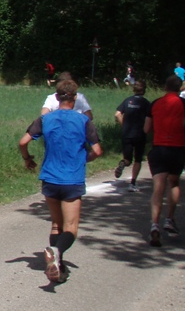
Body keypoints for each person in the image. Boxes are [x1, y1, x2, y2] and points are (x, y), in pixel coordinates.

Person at [19, 78, 103, 284]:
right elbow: (98, 151)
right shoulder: (84, 121)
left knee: (56, 224)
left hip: (50, 178)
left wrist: (28, 159)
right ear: (75, 98)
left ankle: (57, 264)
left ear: (57, 98)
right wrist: (84, 159)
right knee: (71, 227)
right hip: (72, 179)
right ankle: (56, 252)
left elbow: (23, 142)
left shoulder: (45, 119)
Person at [146, 75, 185, 246]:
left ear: (165, 87)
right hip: (177, 147)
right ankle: (170, 219)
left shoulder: (155, 103)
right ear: (179, 88)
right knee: (173, 183)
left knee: (158, 187)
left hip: (159, 147)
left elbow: (146, 128)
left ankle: (154, 224)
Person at [114, 81, 150, 191]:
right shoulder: (146, 103)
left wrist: (123, 125)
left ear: (134, 90)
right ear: (144, 90)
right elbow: (150, 118)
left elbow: (117, 114)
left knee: (128, 159)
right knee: (138, 159)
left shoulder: (127, 100)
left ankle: (123, 163)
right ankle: (133, 183)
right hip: (140, 134)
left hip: (127, 133)